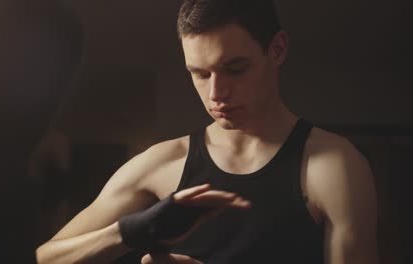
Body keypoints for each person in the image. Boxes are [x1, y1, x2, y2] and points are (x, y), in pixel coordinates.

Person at [36, 0, 378, 263]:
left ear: (276, 50)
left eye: (235, 69)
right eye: (200, 73)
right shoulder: (162, 163)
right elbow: (43, 258)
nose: (216, 94)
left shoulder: (333, 167)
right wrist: (131, 233)